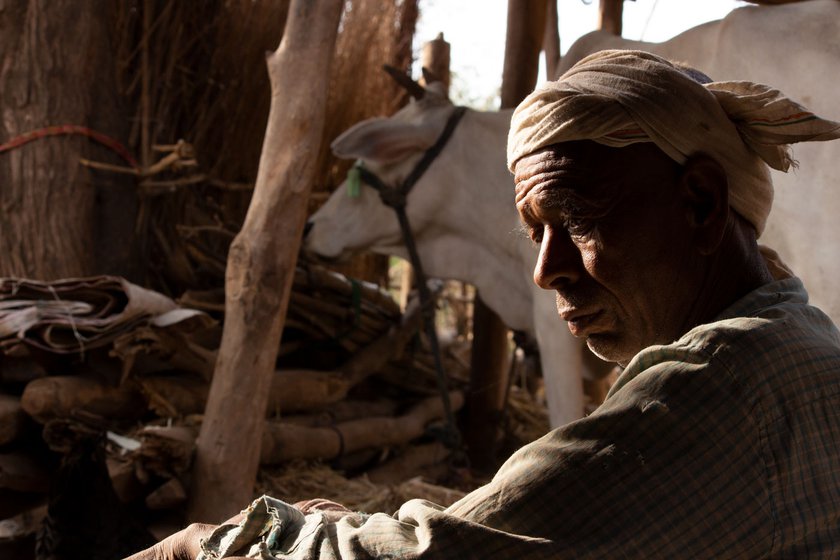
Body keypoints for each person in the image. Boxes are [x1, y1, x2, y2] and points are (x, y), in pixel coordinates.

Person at [126, 50, 840, 559]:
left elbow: (440, 553)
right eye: (535, 234)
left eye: (580, 221)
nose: (545, 272)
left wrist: (213, 543)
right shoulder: (800, 342)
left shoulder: (713, 390)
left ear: (702, 203)